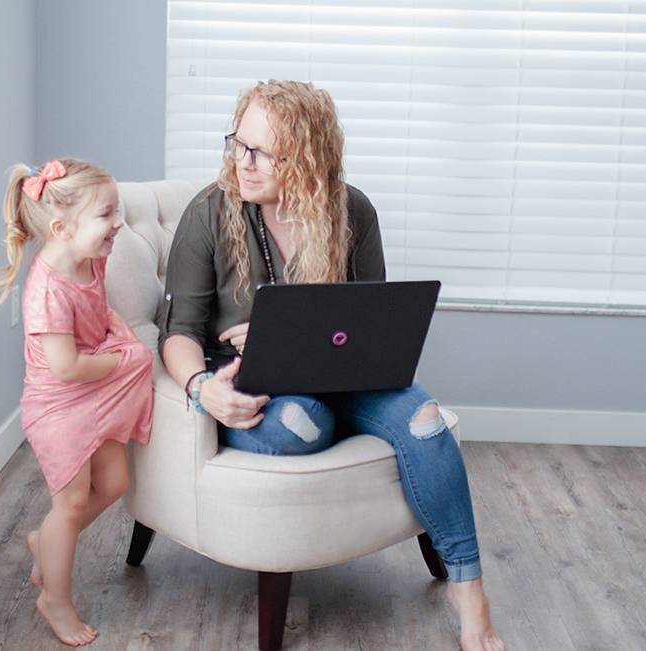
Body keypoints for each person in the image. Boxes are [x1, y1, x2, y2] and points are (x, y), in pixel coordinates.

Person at [158, 80, 505, 651]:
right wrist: (201, 387)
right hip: (259, 393)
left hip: (349, 380)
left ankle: (469, 589)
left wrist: (294, 335)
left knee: (427, 421)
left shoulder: (353, 211)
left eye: (262, 152)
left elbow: (373, 323)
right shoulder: (210, 213)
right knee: (302, 424)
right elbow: (179, 334)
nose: (241, 163)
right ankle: (329, 418)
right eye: (236, 143)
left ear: (308, 158)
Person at [0, 159, 153, 647]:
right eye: (106, 214)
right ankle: (55, 600)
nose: (118, 223)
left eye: (117, 211)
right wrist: (125, 360)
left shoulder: (90, 260)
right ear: (62, 227)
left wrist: (115, 350)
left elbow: (97, 319)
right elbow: (67, 367)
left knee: (116, 481)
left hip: (92, 391)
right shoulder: (46, 290)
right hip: (59, 404)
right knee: (71, 502)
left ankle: (48, 540)